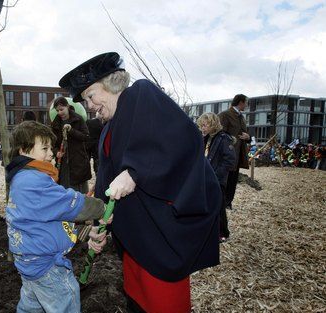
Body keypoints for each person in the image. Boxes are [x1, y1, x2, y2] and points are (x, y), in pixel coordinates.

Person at [59, 52, 221, 312]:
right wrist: (99, 225)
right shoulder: (108, 130)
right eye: (85, 100)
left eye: (91, 95)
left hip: (161, 236)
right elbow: (108, 187)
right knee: (138, 301)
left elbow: (182, 139)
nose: (89, 105)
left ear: (111, 83)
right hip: (136, 240)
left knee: (162, 302)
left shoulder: (141, 95)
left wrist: (136, 172)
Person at [5, 120, 108, 313]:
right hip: (47, 266)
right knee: (66, 300)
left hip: (30, 263)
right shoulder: (33, 181)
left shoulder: (21, 179)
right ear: (23, 151)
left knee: (31, 306)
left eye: (51, 148)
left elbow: (50, 221)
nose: (51, 153)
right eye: (44, 148)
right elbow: (69, 203)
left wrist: (86, 231)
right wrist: (99, 208)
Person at [197, 112, 236, 242]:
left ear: (213, 124)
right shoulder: (205, 138)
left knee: (218, 206)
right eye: (201, 125)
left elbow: (230, 160)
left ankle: (223, 232)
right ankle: (209, 230)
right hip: (205, 178)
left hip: (217, 179)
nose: (203, 128)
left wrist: (216, 174)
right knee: (206, 204)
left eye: (205, 125)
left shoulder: (223, 138)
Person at [50, 96, 91, 192]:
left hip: (78, 161)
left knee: (80, 192)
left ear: (67, 106)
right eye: (57, 110)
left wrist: (71, 130)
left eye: (61, 109)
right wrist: (56, 153)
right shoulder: (55, 124)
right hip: (63, 164)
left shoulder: (78, 119)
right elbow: (53, 144)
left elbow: (86, 137)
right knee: (65, 191)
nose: (60, 112)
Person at [218, 94, 250, 210]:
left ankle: (228, 203)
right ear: (240, 102)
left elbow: (244, 134)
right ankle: (221, 203)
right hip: (227, 155)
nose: (247, 105)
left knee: (233, 181)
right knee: (225, 180)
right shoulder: (225, 115)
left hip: (238, 155)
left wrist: (248, 137)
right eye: (246, 102)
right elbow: (220, 134)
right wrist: (231, 139)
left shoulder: (241, 117)